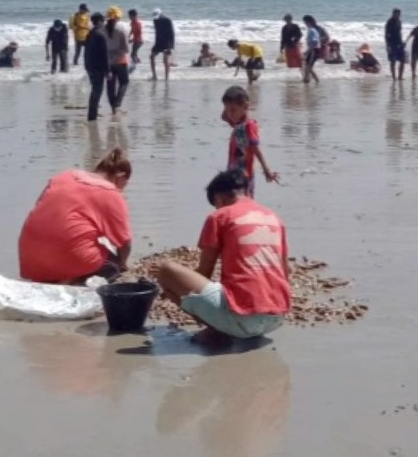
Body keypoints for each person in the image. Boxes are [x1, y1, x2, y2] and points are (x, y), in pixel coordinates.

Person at [151, 169, 290, 341]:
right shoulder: (274, 218)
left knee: (165, 270)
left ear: (218, 199)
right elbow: (285, 273)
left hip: (242, 320)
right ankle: (226, 327)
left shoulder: (219, 216)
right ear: (246, 192)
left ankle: (220, 329)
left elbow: (204, 272)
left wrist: (170, 290)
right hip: (277, 317)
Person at [17, 148, 133, 285]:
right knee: (113, 267)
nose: (121, 190)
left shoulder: (63, 177)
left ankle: (53, 278)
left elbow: (40, 207)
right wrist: (123, 264)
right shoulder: (111, 192)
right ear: (120, 176)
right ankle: (70, 279)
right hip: (69, 259)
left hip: (30, 261)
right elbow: (125, 243)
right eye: (123, 185)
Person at [221, 85, 279, 195]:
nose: (230, 114)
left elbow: (256, 149)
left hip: (244, 175)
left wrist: (266, 170)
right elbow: (223, 117)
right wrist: (228, 105)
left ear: (246, 106)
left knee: (244, 202)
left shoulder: (249, 125)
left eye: (233, 110)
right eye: (227, 110)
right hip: (232, 173)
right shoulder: (237, 123)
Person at [83, 13, 111, 122]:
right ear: (99, 21)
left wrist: (86, 65)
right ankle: (92, 115)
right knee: (97, 91)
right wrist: (108, 71)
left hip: (90, 66)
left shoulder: (90, 33)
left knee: (95, 90)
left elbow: (86, 52)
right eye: (103, 20)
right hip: (98, 68)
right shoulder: (101, 35)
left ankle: (92, 113)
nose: (104, 22)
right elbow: (105, 54)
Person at [104, 6, 131, 114]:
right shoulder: (121, 29)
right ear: (117, 17)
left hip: (107, 61)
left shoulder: (103, 29)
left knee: (110, 85)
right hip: (120, 60)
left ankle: (113, 108)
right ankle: (117, 105)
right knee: (124, 82)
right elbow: (126, 48)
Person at [150, 8, 175, 81]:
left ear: (161, 14)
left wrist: (170, 46)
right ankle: (154, 76)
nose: (156, 18)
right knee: (151, 56)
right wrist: (156, 44)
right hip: (158, 42)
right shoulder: (155, 20)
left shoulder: (167, 21)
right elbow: (157, 33)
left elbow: (171, 34)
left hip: (167, 43)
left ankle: (166, 78)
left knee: (165, 60)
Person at [384, 8, 405, 80]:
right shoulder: (389, 22)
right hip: (392, 43)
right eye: (396, 14)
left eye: (399, 14)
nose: (398, 15)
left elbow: (399, 33)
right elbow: (386, 35)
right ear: (393, 14)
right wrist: (388, 45)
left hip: (399, 43)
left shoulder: (399, 22)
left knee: (403, 60)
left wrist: (402, 42)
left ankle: (400, 76)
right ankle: (394, 77)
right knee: (393, 61)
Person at [302, 15, 323, 83]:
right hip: (314, 50)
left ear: (309, 22)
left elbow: (314, 42)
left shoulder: (312, 30)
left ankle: (315, 80)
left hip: (313, 50)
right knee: (307, 66)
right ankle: (307, 80)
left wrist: (308, 51)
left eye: (305, 22)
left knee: (308, 67)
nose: (305, 24)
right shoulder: (314, 30)